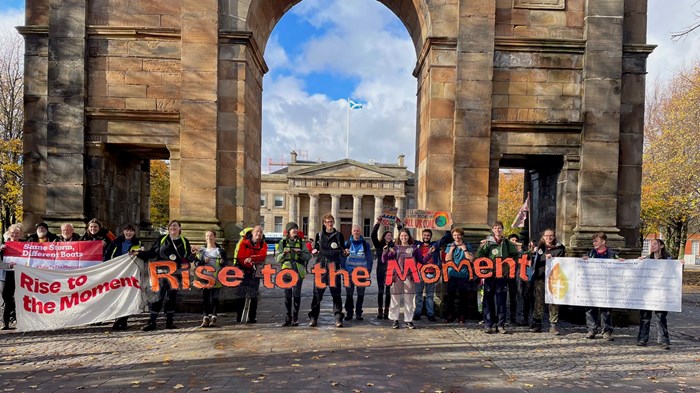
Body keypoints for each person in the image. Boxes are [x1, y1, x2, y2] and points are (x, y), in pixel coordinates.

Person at [136, 220, 193, 331]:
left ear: (179, 228)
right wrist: (138, 253)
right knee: (158, 297)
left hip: (176, 274)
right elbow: (153, 253)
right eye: (171, 226)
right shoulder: (162, 239)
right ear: (168, 228)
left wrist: (193, 255)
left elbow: (187, 258)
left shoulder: (184, 241)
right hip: (161, 273)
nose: (173, 228)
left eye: (175, 226)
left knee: (171, 298)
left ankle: (169, 322)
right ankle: (152, 322)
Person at [476, 221, 519, 334]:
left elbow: (515, 255)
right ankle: (488, 323)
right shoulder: (488, 243)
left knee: (501, 300)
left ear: (502, 229)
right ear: (492, 230)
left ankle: (500, 324)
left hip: (502, 275)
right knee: (488, 299)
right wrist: (483, 267)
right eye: (495, 228)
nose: (497, 230)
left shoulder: (507, 243)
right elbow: (479, 256)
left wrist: (508, 267)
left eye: (499, 228)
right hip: (490, 275)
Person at [309, 213, 346, 328]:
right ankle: (314, 317)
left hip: (334, 269)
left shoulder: (339, 236)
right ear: (324, 223)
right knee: (317, 294)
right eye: (327, 222)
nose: (330, 224)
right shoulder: (319, 235)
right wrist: (314, 252)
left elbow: (342, 251)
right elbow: (315, 249)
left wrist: (345, 253)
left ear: (333, 222)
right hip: (321, 268)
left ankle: (338, 318)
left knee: (336, 294)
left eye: (331, 221)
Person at [104, 223, 143, 330]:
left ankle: (122, 320)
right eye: (127, 230)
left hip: (130, 273)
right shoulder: (115, 242)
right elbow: (107, 255)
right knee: (117, 296)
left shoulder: (138, 243)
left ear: (134, 232)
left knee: (128, 296)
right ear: (123, 231)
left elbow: (143, 257)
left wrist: (139, 253)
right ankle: (119, 318)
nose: (129, 232)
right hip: (116, 273)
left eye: (131, 231)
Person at [583, 232, 621, 341]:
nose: (593, 243)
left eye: (596, 241)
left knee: (606, 309)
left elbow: (620, 267)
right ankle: (592, 329)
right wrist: (583, 260)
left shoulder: (612, 254)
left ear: (603, 242)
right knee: (590, 308)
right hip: (592, 286)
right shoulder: (590, 253)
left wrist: (621, 262)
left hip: (607, 286)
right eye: (593, 241)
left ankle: (607, 331)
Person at [637, 239, 673, 349]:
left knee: (661, 317)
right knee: (645, 316)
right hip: (647, 293)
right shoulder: (647, 259)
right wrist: (638, 263)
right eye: (651, 244)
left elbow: (675, 273)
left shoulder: (668, 259)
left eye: (654, 244)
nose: (652, 246)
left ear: (661, 246)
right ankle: (642, 338)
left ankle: (663, 340)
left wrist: (681, 264)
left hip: (661, 293)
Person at [383, 228, 422, 329]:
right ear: (399, 237)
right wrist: (385, 252)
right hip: (397, 276)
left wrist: (430, 253)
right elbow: (385, 260)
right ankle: (394, 319)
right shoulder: (395, 248)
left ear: (409, 237)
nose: (404, 237)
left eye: (406, 236)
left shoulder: (414, 248)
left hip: (409, 276)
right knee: (395, 298)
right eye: (402, 236)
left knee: (409, 299)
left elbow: (422, 260)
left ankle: (409, 320)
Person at [530, 229, 565, 334]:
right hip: (540, 277)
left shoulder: (560, 248)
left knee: (553, 301)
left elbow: (563, 262)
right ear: (543, 236)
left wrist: (553, 258)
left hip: (554, 278)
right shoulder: (539, 247)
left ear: (554, 237)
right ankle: (537, 323)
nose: (549, 238)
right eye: (547, 236)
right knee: (538, 301)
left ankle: (553, 325)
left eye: (551, 236)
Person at [276, 222, 311, 326]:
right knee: (287, 295)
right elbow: (277, 259)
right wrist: (284, 254)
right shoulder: (282, 242)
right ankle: (288, 317)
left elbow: (308, 256)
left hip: (298, 270)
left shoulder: (301, 243)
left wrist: (300, 253)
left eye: (296, 228)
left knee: (296, 294)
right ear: (288, 231)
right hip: (286, 271)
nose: (295, 230)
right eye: (293, 229)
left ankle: (295, 318)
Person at [194, 230, 228, 328]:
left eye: (211, 236)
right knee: (205, 298)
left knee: (215, 298)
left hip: (216, 277)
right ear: (205, 238)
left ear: (215, 237)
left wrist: (222, 262)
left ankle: (214, 316)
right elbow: (196, 263)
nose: (209, 238)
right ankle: (205, 317)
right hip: (204, 278)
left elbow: (225, 264)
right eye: (207, 236)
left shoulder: (220, 250)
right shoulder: (201, 251)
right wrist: (202, 261)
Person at [233, 225, 267, 323]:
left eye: (261, 232)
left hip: (255, 270)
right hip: (243, 269)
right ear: (252, 233)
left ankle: (252, 316)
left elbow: (262, 255)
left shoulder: (263, 244)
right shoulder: (244, 242)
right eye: (257, 231)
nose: (259, 234)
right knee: (241, 294)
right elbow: (240, 255)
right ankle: (239, 316)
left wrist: (252, 258)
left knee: (253, 294)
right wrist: (247, 261)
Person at [413, 229, 447, 322]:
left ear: (430, 236)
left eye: (428, 235)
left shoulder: (434, 245)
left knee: (430, 295)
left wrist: (448, 225)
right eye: (424, 235)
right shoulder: (417, 244)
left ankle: (430, 314)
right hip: (420, 273)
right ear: (422, 235)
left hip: (431, 273)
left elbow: (445, 238)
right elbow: (407, 238)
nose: (426, 237)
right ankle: (417, 313)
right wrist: (400, 226)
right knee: (418, 294)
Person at [371, 217, 400, 319]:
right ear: (384, 237)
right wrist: (378, 223)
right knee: (380, 291)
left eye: (390, 235)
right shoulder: (379, 245)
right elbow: (373, 235)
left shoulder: (394, 246)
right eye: (387, 235)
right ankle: (380, 310)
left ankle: (387, 311)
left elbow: (403, 235)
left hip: (390, 271)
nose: (389, 236)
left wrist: (398, 224)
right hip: (380, 270)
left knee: (388, 291)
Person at [443, 228, 474, 324]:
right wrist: (451, 250)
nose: (457, 237)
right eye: (455, 235)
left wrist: (464, 250)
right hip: (452, 274)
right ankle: (450, 315)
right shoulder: (449, 245)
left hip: (464, 274)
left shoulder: (467, 245)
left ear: (462, 236)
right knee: (450, 296)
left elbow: (471, 259)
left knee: (463, 297)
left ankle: (462, 316)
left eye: (458, 235)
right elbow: (447, 259)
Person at [343, 225, 373, 321]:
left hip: (361, 273)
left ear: (360, 232)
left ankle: (359, 313)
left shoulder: (365, 244)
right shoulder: (347, 243)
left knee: (360, 294)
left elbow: (369, 258)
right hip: (349, 273)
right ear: (352, 232)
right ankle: (349, 313)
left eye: (358, 231)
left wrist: (368, 270)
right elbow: (342, 258)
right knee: (349, 294)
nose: (356, 232)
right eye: (354, 231)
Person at [0, 223, 23, 330]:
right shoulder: (2, 246)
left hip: (20, 276)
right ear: (9, 233)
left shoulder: (26, 245)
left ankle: (20, 321)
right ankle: (5, 322)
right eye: (13, 233)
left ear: (21, 234)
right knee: (7, 299)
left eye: (17, 233)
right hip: (5, 276)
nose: (15, 235)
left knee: (21, 299)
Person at [507, 234, 522, 325]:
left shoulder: (520, 251)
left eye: (516, 240)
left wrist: (520, 251)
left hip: (515, 277)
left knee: (514, 298)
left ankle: (513, 317)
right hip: (505, 275)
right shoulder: (506, 250)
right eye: (512, 240)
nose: (514, 242)